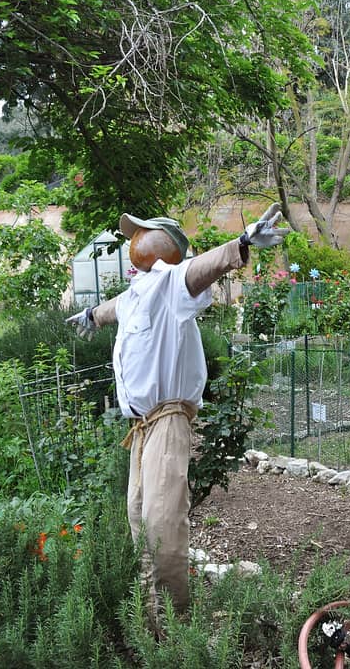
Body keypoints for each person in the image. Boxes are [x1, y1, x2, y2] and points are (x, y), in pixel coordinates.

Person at [66, 205, 288, 621]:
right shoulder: (140, 291)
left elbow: (198, 270)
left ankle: (171, 623)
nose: (135, 241)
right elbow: (118, 305)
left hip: (167, 420)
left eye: (142, 234)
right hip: (142, 426)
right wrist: (93, 315)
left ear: (165, 246)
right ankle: (148, 614)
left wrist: (239, 245)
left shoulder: (172, 280)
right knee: (137, 514)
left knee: (163, 525)